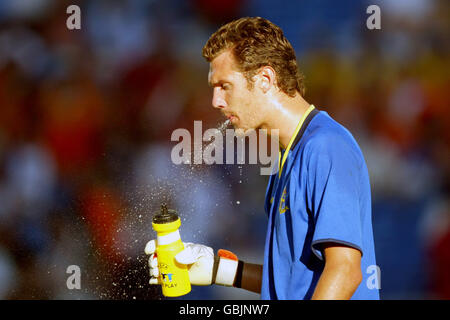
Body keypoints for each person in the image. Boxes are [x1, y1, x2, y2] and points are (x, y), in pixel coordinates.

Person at [145, 17, 380, 300]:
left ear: (265, 79)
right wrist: (219, 270)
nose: (216, 101)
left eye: (224, 86)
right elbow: (288, 281)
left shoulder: (325, 146)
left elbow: (345, 271)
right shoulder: (286, 156)